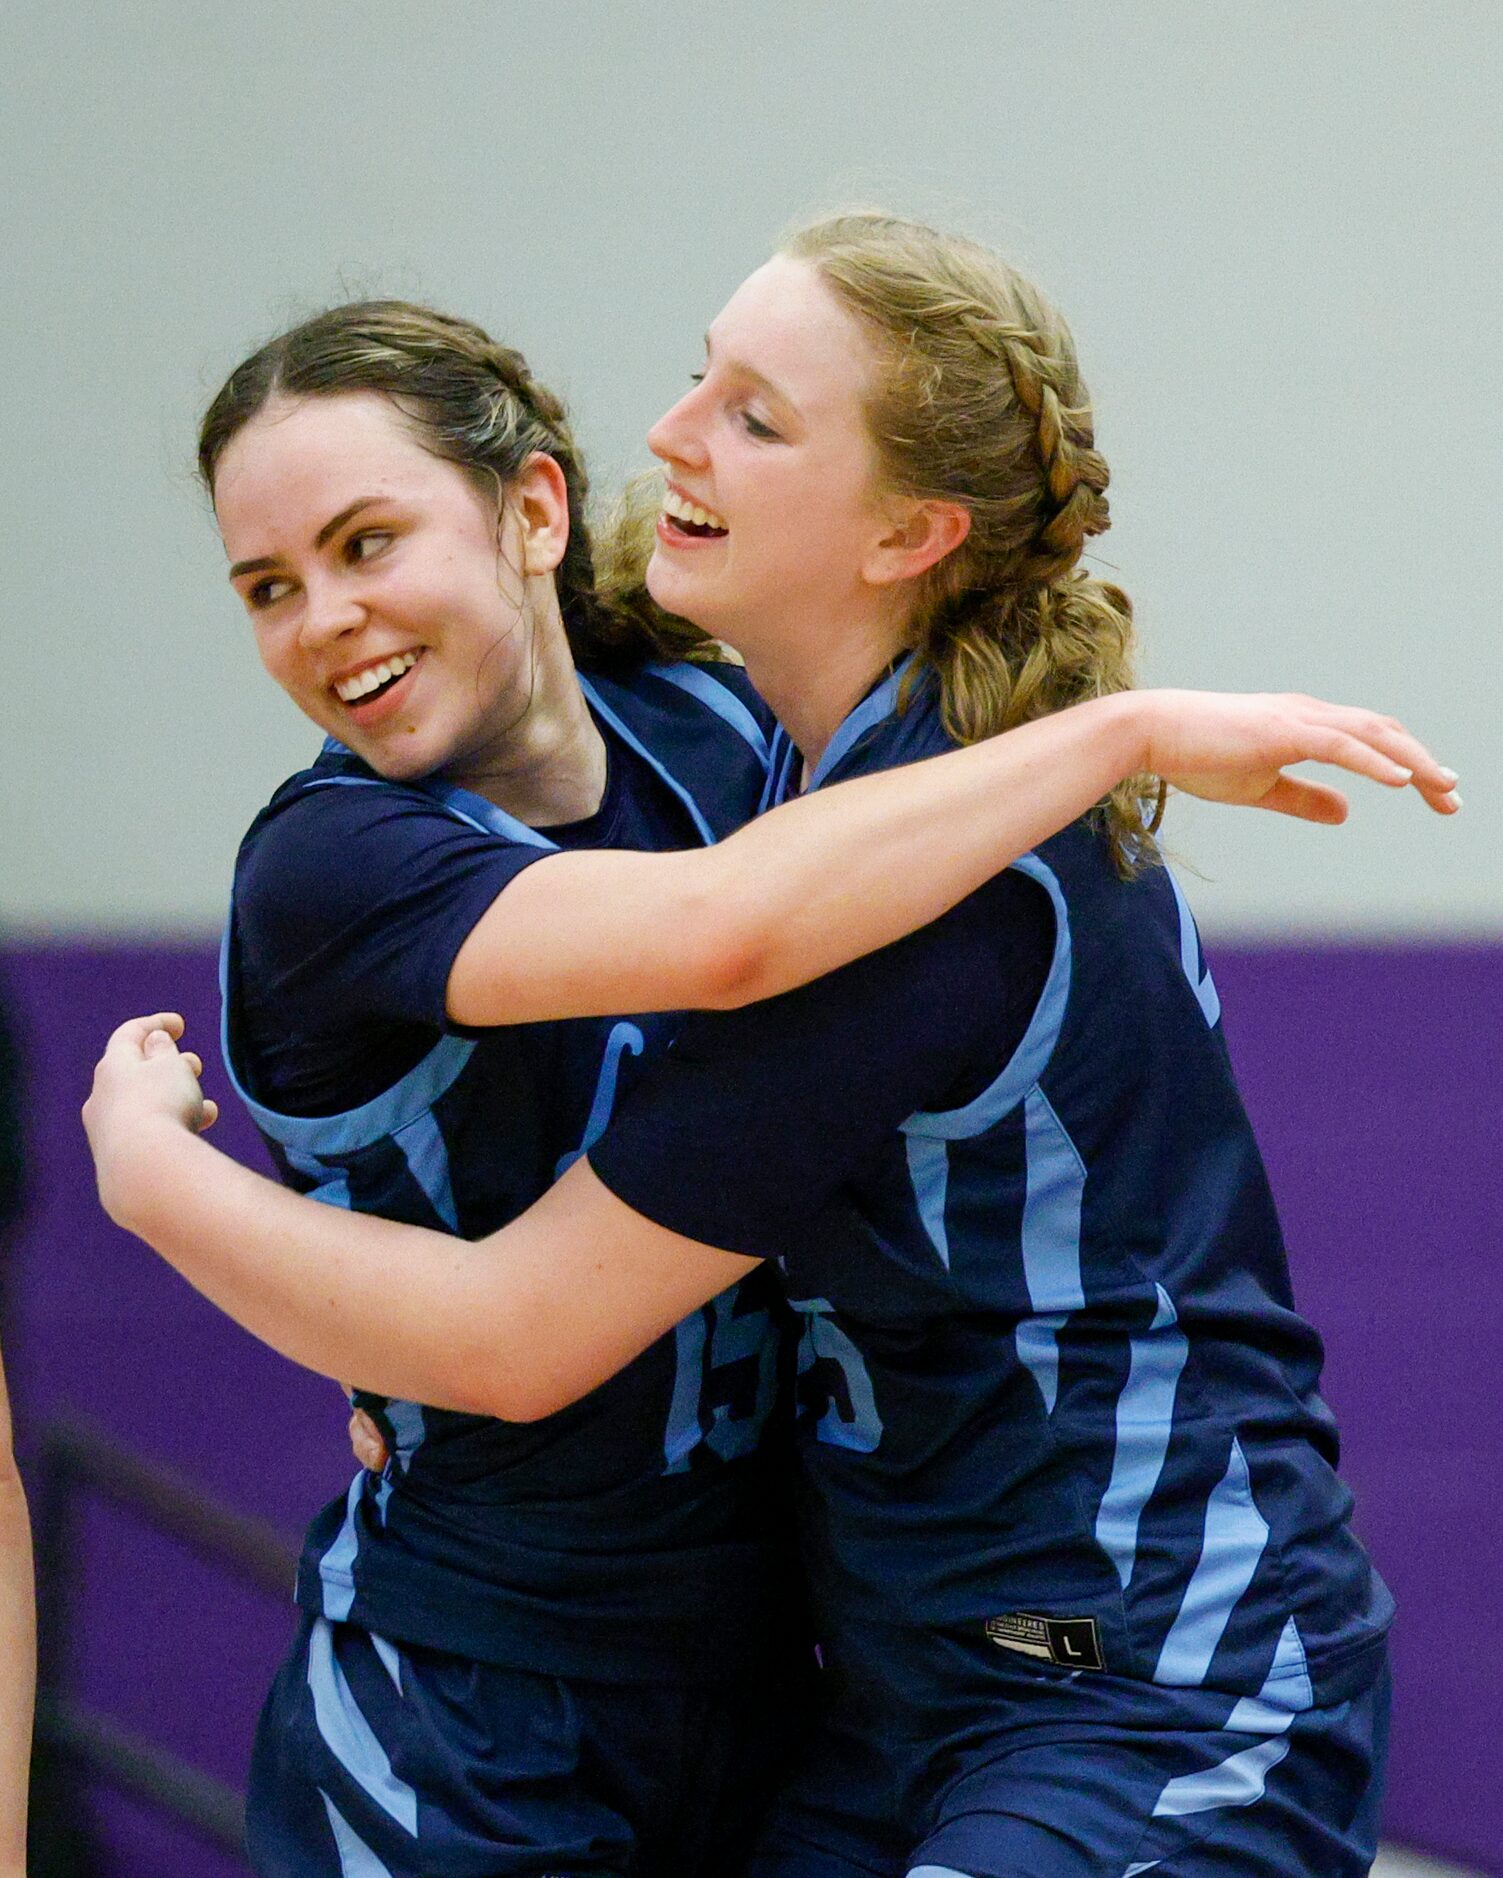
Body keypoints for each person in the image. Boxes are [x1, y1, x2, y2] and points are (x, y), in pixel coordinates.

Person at [86, 215, 1458, 1877]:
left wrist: (163, 1183)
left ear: (907, 530)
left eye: (754, 411)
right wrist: (180, 1196)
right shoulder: (356, 855)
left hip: (1085, 1678)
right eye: (266, 585)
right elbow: (683, 1006)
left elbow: (539, 1296)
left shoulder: (825, 813)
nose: (670, 435)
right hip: (533, 1683)